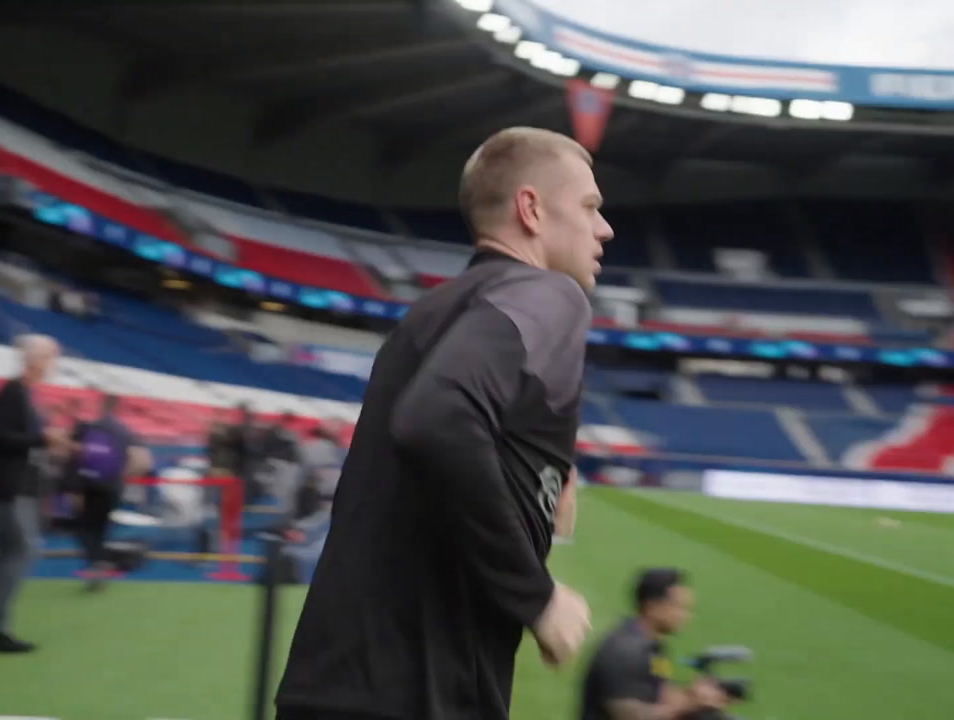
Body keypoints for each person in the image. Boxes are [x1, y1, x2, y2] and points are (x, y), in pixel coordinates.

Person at [275, 126, 614, 720]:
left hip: (328, 682)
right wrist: (538, 598)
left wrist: (546, 469)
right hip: (424, 693)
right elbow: (437, 418)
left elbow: (441, 427)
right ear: (531, 209)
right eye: (590, 207)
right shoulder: (550, 295)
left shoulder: (428, 315)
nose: (604, 228)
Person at [0, 334, 68, 653]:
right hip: (10, 487)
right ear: (35, 360)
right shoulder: (13, 392)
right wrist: (42, 440)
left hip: (18, 486)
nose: (52, 365)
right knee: (21, 551)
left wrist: (44, 440)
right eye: (50, 358)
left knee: (10, 554)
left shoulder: (22, 393)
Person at [580, 569, 728, 720]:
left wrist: (694, 695)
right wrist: (688, 705)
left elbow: (660, 692)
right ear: (653, 607)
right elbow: (630, 716)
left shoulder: (653, 646)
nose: (685, 615)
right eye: (678, 607)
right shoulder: (625, 652)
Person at [70, 394, 142, 591]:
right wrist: (123, 475)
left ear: (101, 406)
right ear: (118, 408)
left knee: (85, 529)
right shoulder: (125, 432)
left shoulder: (90, 427)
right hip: (112, 486)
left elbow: (78, 456)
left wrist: (75, 488)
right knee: (101, 528)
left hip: (89, 485)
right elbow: (140, 460)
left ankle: (95, 563)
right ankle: (99, 564)